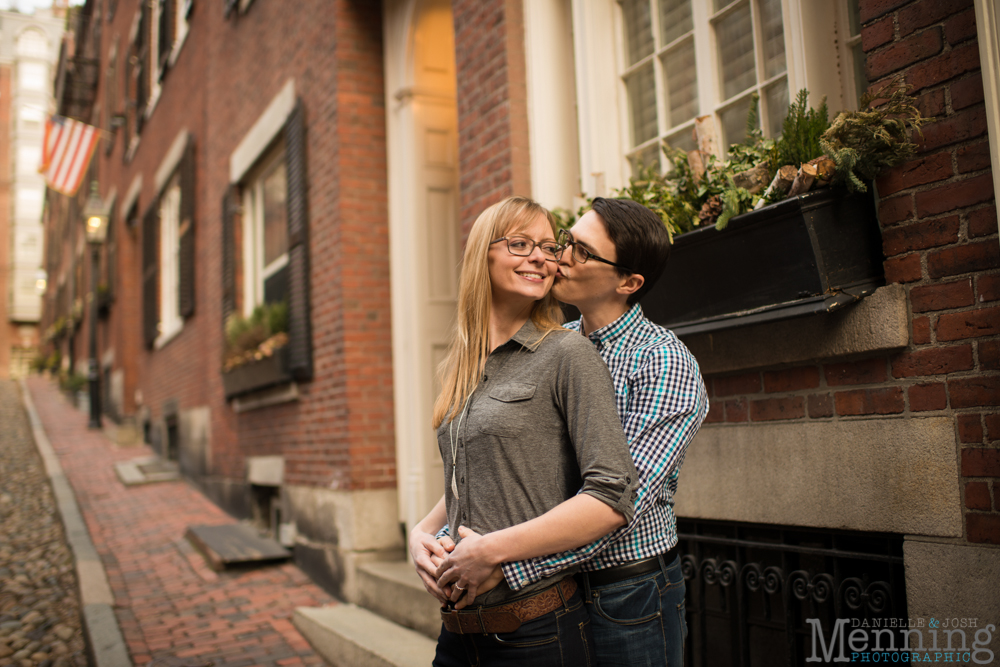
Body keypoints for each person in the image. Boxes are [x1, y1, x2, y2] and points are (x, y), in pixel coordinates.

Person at [434, 197, 709, 666]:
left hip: (626, 592)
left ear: (628, 282)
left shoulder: (662, 362)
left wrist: (502, 564)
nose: (556, 257)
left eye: (579, 251)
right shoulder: (545, 344)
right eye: (564, 242)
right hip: (556, 590)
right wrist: (438, 534)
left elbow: (619, 502)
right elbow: (513, 465)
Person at [408, 195, 640, 667]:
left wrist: (491, 551)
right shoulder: (462, 365)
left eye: (547, 246)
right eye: (519, 243)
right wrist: (421, 532)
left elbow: (612, 495)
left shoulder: (566, 355)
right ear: (483, 254)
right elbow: (484, 469)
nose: (540, 256)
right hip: (456, 634)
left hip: (537, 634)